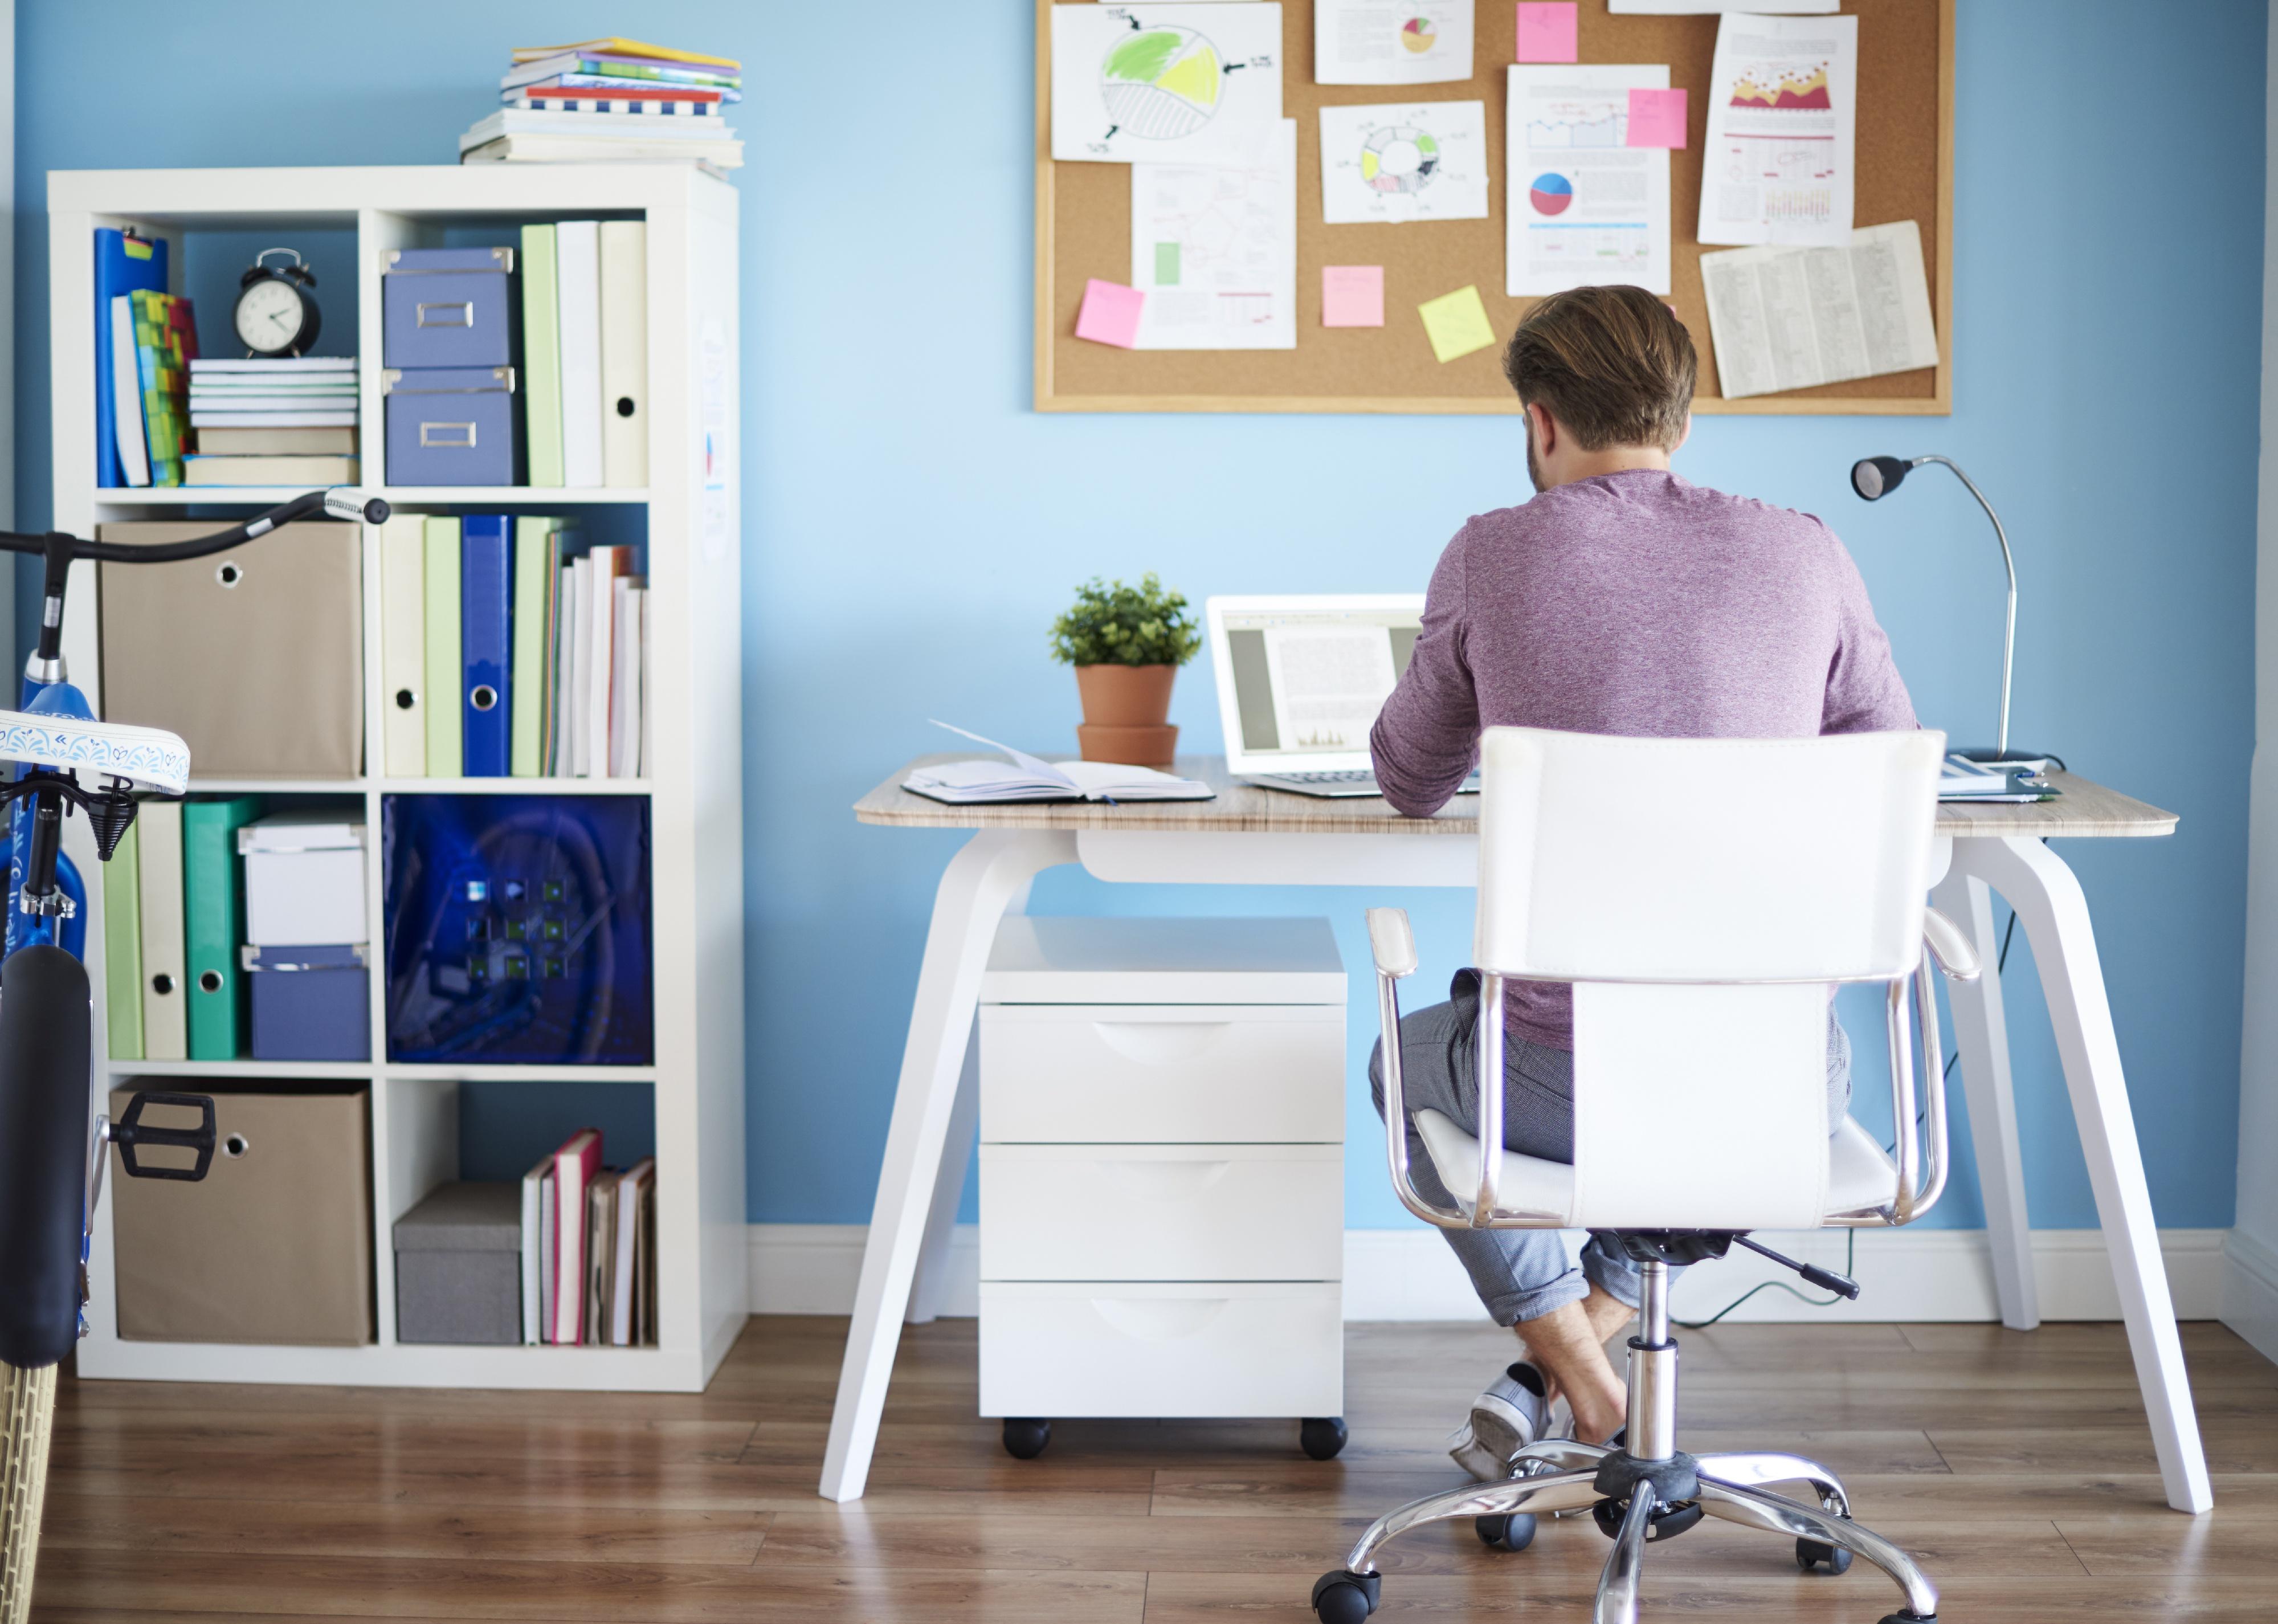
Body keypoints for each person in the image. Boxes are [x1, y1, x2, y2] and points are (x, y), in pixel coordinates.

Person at [1366, 284, 1917, 1478]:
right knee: (1695, 1123)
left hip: (1555, 1091)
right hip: (1779, 1087)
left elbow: (1407, 777)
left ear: (1541, 420)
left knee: (1399, 1056)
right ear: (1681, 417)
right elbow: (1887, 772)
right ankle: (1580, 1384)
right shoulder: (1808, 550)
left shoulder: (1491, 551)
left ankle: (1576, 1384)